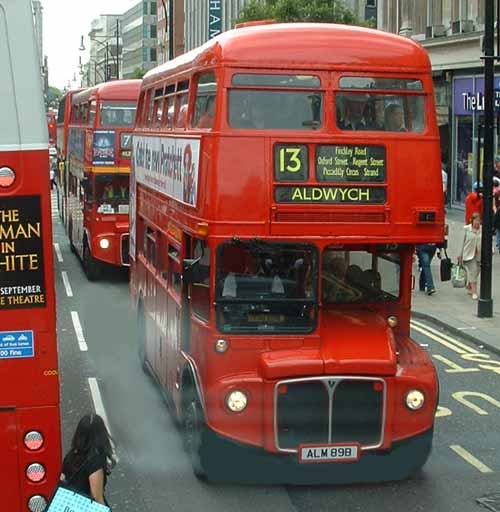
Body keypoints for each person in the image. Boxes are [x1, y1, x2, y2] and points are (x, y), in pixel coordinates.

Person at [60, 413, 115, 507]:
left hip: (69, 504)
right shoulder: (95, 461)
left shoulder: (72, 454)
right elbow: (96, 497)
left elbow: (62, 477)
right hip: (84, 506)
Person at [459, 212, 482, 300]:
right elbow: (462, 242)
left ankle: (469, 284)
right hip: (468, 254)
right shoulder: (466, 229)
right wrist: (460, 254)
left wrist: (491, 249)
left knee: (477, 272)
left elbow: (487, 240)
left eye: (479, 221)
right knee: (473, 271)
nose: (477, 223)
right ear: (472, 221)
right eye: (476, 221)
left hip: (479, 255)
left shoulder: (482, 229)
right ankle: (474, 292)